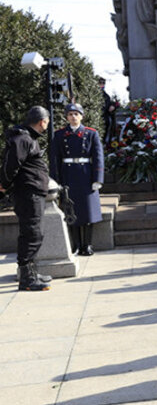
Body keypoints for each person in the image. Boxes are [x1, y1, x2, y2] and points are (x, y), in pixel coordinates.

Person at [1, 107, 54, 291]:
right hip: (27, 193)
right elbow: (11, 165)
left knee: (34, 233)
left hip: (32, 192)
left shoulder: (28, 137)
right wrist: (4, 184)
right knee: (32, 233)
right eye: (47, 121)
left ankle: (31, 272)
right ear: (42, 122)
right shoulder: (22, 139)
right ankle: (27, 279)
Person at [50, 103, 104, 256]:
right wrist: (55, 181)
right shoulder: (60, 135)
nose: (73, 117)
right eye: (70, 114)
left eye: (76, 114)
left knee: (88, 212)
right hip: (68, 174)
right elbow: (55, 159)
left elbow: (98, 157)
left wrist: (97, 179)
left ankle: (87, 245)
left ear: (82, 116)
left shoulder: (91, 133)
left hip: (86, 175)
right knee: (70, 211)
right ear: (66, 117)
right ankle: (75, 245)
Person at [99, 77, 117, 144]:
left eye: (103, 83)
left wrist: (113, 106)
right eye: (100, 83)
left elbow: (109, 104)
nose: (102, 85)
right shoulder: (93, 94)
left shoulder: (106, 96)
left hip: (105, 118)